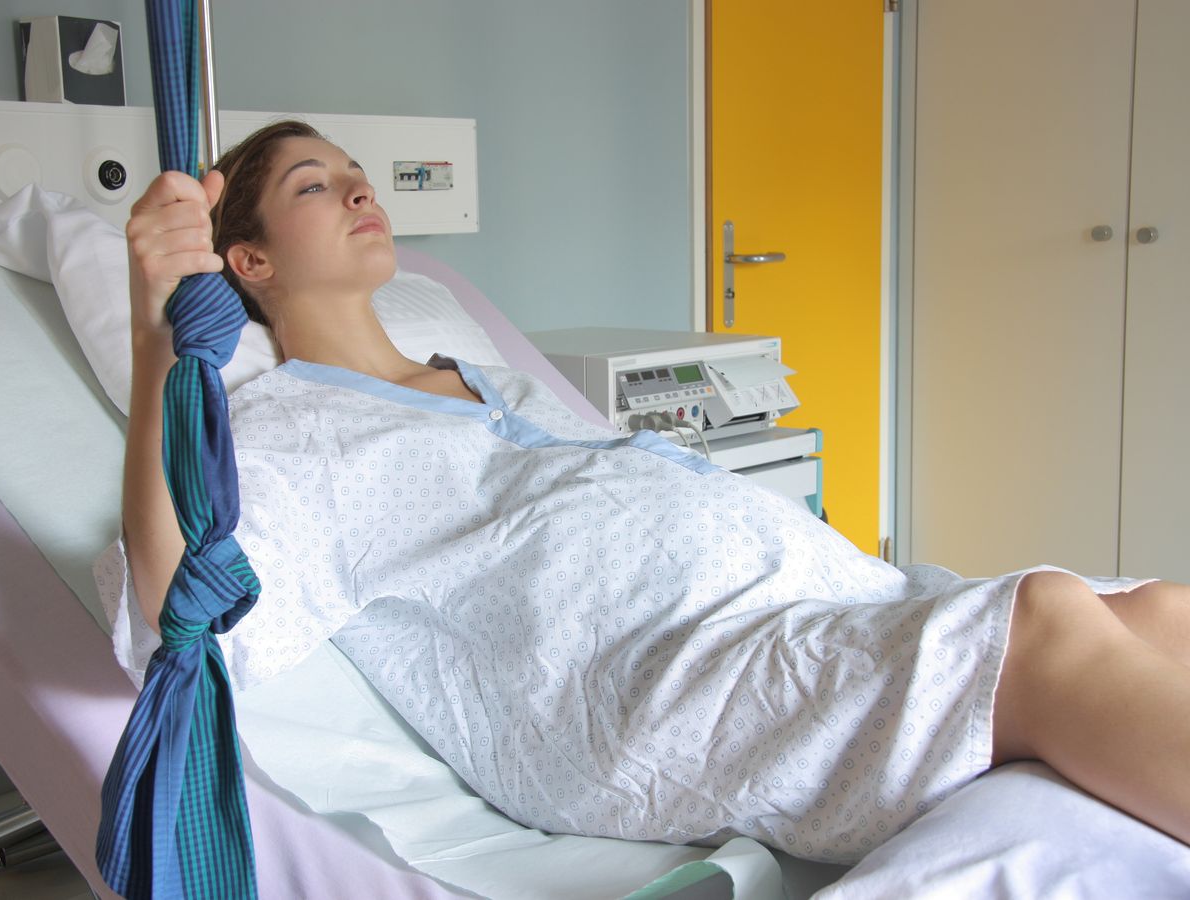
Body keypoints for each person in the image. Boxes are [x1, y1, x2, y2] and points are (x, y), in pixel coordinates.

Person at [117, 119, 1190, 865]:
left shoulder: (481, 380)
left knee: (1155, 610)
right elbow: (179, 611)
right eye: (314, 185)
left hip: (795, 603)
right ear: (248, 261)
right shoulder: (286, 430)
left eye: (358, 171)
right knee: (1046, 623)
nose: (362, 190)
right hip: (646, 690)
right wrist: (158, 335)